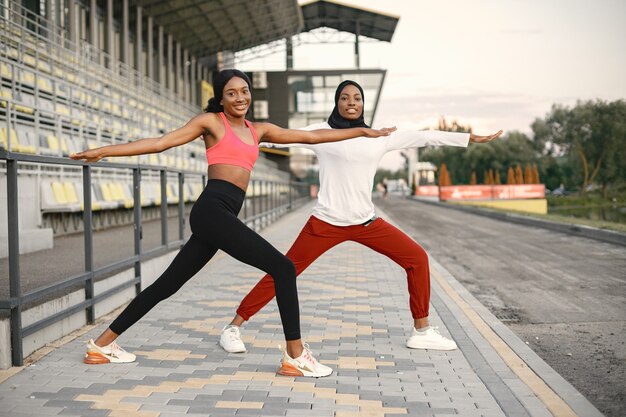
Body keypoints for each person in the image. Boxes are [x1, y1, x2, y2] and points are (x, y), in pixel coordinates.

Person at [70, 71, 394, 378]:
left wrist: (363, 131)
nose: (240, 98)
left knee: (167, 285)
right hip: (211, 211)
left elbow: (312, 136)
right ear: (221, 99)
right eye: (231, 93)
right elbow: (160, 143)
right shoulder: (210, 122)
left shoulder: (259, 130)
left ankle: (101, 345)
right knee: (283, 268)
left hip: (222, 215)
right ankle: (296, 356)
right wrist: (103, 151)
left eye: (244, 91)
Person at [219, 80, 502, 355]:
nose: (351, 102)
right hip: (325, 223)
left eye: (357, 98)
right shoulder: (321, 132)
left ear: (364, 104)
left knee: (417, 258)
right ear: (337, 102)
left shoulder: (378, 137)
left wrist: (469, 139)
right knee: (284, 271)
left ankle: (422, 331)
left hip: (366, 223)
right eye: (345, 98)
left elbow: (425, 135)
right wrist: (234, 133)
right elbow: (279, 137)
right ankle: (234, 326)